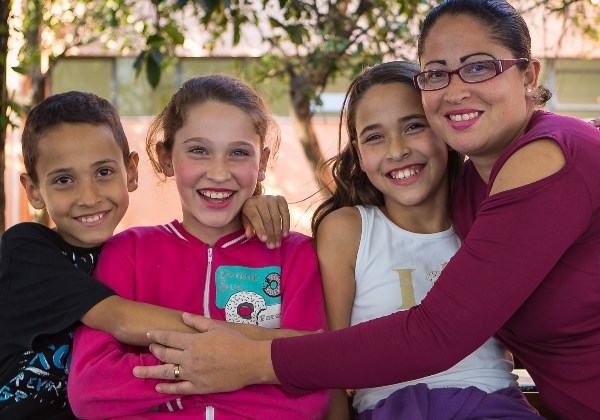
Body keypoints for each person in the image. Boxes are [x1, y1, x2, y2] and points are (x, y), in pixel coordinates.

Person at [132, 0, 600, 418]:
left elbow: (438, 334)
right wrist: (251, 204)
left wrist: (252, 362)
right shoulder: (470, 191)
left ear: (529, 76)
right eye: (436, 72)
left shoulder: (549, 153)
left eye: (479, 67)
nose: (456, 90)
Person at [67, 74, 330, 419]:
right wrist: (216, 373)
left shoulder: (294, 256)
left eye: (238, 153)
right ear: (165, 157)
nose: (219, 173)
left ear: (262, 163)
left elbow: (308, 399)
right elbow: (91, 389)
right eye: (199, 151)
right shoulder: (127, 253)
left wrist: (173, 389)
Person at [313, 60, 539, 419]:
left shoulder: (488, 219)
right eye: (374, 136)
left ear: (445, 130)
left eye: (414, 126)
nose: (397, 150)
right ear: (358, 153)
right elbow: (325, 364)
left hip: (492, 404)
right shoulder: (348, 231)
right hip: (390, 409)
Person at [0, 91, 203, 419]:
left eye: (103, 172)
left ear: (131, 172)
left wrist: (251, 207)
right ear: (34, 191)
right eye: (64, 180)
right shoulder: (25, 249)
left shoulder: (134, 255)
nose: (89, 197)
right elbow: (120, 320)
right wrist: (260, 349)